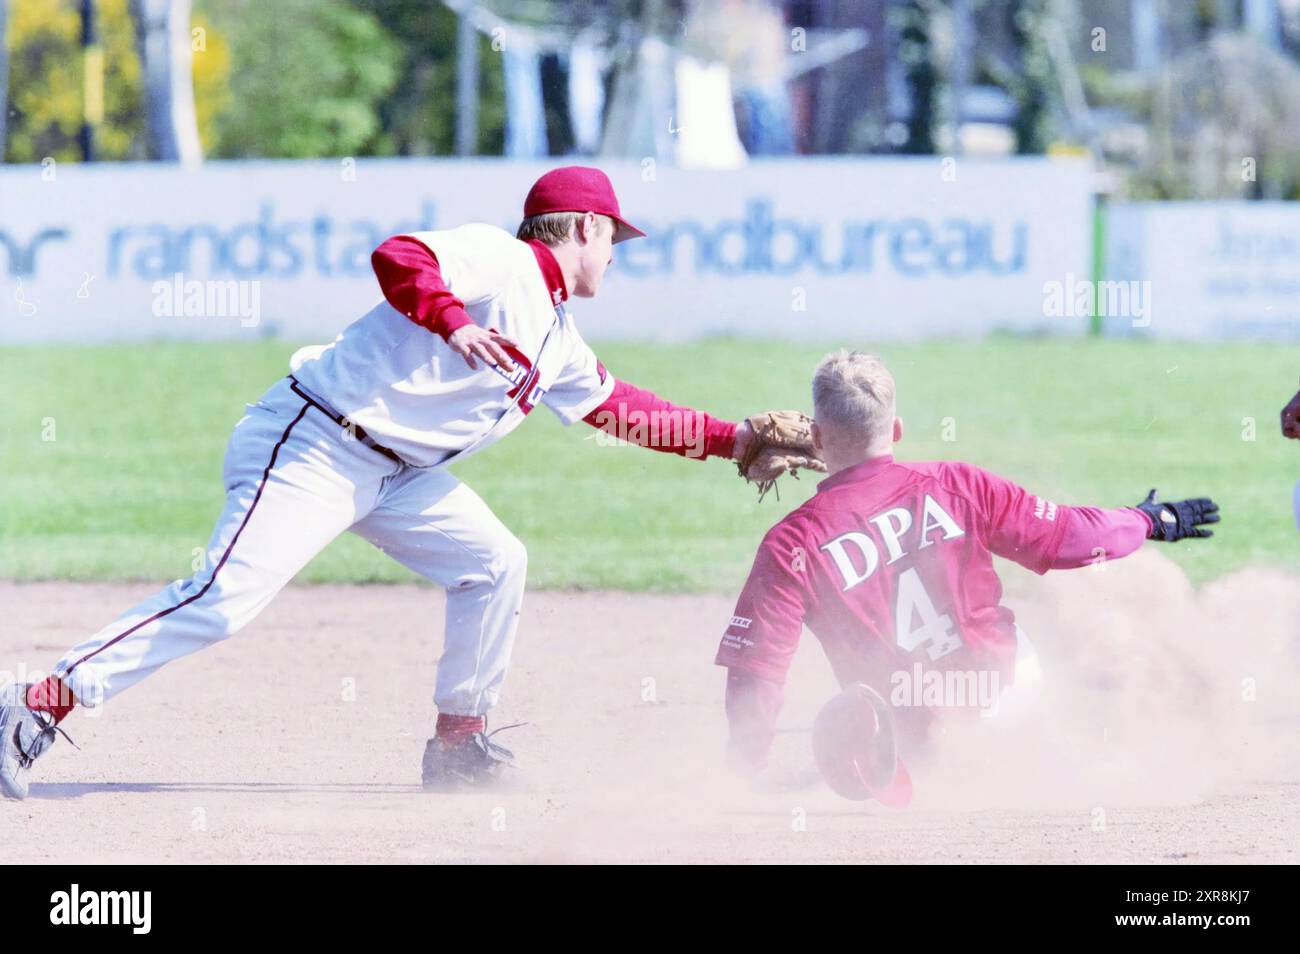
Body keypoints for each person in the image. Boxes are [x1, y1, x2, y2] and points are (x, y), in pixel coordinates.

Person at [1, 167, 802, 801]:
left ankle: (459, 744)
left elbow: (621, 410)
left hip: (396, 474)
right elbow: (399, 256)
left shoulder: (557, 333)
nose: (616, 252)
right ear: (587, 226)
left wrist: (732, 440)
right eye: (614, 237)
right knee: (222, 599)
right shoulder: (505, 259)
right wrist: (454, 320)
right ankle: (37, 701)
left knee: (495, 563)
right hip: (315, 441)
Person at [715, 350, 1219, 802]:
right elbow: (1071, 538)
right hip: (1009, 698)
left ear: (818, 438)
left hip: (905, 740)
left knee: (844, 726)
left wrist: (743, 771)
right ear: (895, 431)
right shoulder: (958, 484)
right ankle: (1072, 750)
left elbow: (757, 674)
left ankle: (951, 768)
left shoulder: (790, 543)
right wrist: (1151, 519)